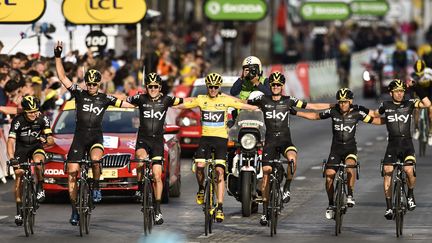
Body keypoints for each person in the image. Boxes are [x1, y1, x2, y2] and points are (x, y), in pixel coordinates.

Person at [54, 41, 130, 225]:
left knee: (96, 160)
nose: (91, 86)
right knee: (72, 173)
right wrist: (57, 56)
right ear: (86, 83)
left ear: (99, 84)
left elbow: (127, 104)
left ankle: (96, 187)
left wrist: (145, 103)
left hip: (95, 136)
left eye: (95, 83)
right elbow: (63, 77)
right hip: (79, 138)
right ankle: (74, 210)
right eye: (89, 83)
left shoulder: (105, 98)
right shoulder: (79, 94)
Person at [247, 71, 331, 225]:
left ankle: (287, 187)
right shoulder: (263, 99)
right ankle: (265, 211)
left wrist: (334, 105)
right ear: (270, 86)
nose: (276, 87)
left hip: (285, 140)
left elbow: (311, 106)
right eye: (273, 85)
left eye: (279, 85)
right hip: (270, 141)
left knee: (292, 158)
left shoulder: (289, 100)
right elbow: (242, 104)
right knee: (266, 172)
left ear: (282, 86)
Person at [173, 73, 258, 223]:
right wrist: (164, 102)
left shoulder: (225, 99)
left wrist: (258, 107)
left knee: (219, 172)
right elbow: (183, 103)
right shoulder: (201, 99)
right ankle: (201, 189)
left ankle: (219, 206)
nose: (212, 89)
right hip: (205, 139)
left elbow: (242, 104)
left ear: (218, 87)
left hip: (220, 140)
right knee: (200, 166)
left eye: (215, 87)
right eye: (210, 87)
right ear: (207, 87)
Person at [293, 88, 382, 219]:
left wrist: (393, 121)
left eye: (345, 102)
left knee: (350, 166)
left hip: (350, 149)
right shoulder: (333, 111)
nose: (342, 105)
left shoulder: (358, 112)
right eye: (340, 102)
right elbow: (314, 116)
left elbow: (375, 120)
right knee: (329, 175)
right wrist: (295, 112)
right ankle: (330, 204)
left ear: (350, 101)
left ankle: (350, 195)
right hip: (336, 149)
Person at [123, 72, 185, 225]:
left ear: (160, 87)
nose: (152, 89)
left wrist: (204, 101)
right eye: (150, 86)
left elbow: (187, 101)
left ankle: (157, 209)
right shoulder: (140, 98)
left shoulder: (166, 100)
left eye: (155, 87)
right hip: (143, 140)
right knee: (140, 160)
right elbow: (121, 101)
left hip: (157, 141)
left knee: (157, 176)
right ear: (146, 87)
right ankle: (139, 188)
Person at [372, 79, 431, 219]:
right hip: (392, 145)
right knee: (387, 171)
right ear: (391, 93)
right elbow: (374, 114)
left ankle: (410, 195)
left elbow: (427, 104)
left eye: (402, 91)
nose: (400, 94)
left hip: (407, 145)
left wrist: (416, 86)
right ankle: (388, 207)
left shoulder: (410, 103)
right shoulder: (385, 105)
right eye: (397, 92)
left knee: (408, 170)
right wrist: (358, 112)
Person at [7, 96, 54, 226]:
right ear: (24, 111)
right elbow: (10, 141)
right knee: (19, 175)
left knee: (39, 164)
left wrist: (46, 140)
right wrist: (11, 158)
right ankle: (18, 210)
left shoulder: (43, 118)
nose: (34, 114)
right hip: (21, 149)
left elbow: (51, 139)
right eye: (30, 112)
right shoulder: (18, 121)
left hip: (36, 147)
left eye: (35, 111)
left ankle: (40, 187)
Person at [411, 60, 432, 145]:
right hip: (419, 93)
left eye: (421, 74)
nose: (419, 76)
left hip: (429, 92)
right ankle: (416, 128)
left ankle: (430, 133)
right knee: (416, 109)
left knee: (431, 111)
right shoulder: (413, 75)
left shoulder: (430, 73)